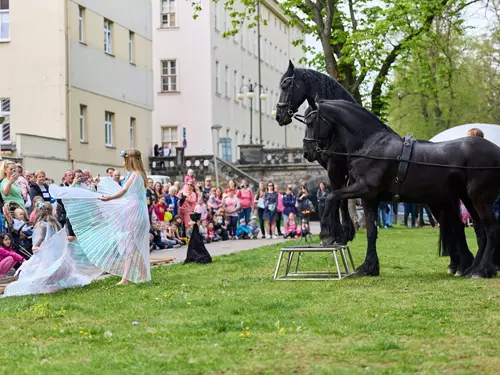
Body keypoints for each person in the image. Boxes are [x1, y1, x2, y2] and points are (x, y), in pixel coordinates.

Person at [49, 149, 151, 286]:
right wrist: (99, 184)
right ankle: (134, 277)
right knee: (130, 244)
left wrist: (110, 198)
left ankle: (133, 277)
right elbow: (118, 187)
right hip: (133, 209)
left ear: (129, 160)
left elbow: (124, 190)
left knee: (130, 244)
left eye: (124, 159)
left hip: (132, 210)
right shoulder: (138, 175)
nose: (123, 162)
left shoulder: (135, 175)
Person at [3, 203, 100, 297]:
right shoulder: (55, 223)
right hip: (57, 253)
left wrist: (35, 245)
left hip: (48, 253)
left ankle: (48, 283)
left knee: (35, 271)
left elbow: (41, 236)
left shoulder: (42, 224)